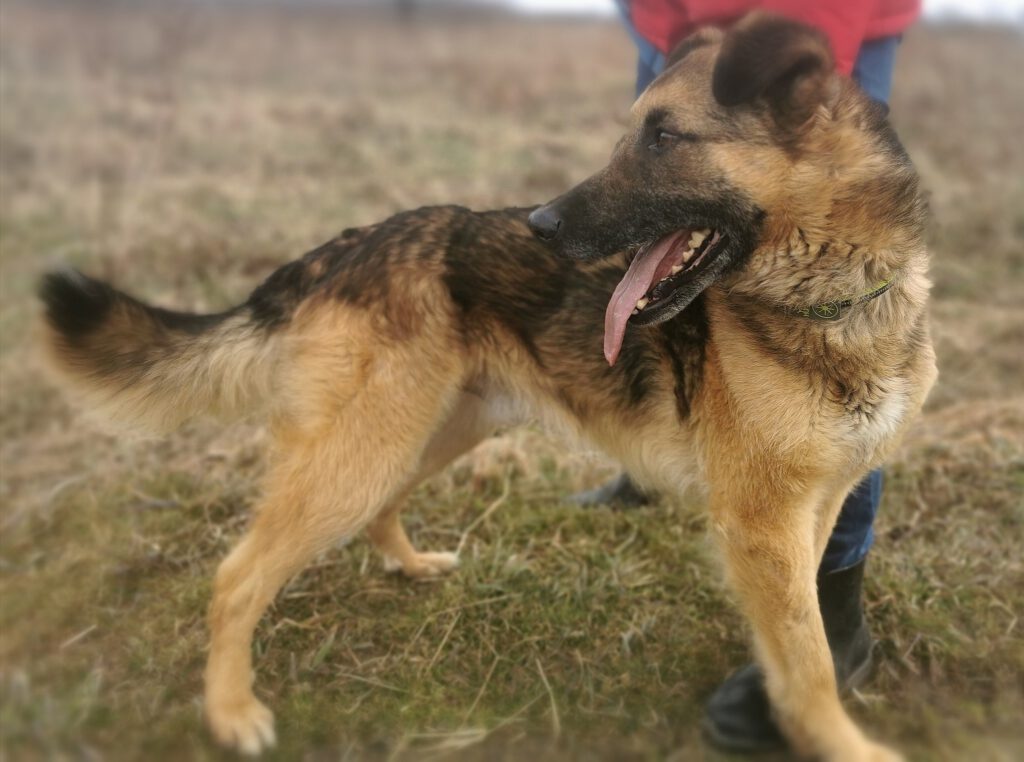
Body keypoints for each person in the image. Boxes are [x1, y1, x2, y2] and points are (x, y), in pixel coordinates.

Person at [585, 0, 921, 754]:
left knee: (837, 292)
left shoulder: (804, 97)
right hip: (689, 33)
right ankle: (656, 452)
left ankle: (833, 606)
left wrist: (806, 66)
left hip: (815, 39)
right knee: (669, 245)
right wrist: (680, 41)